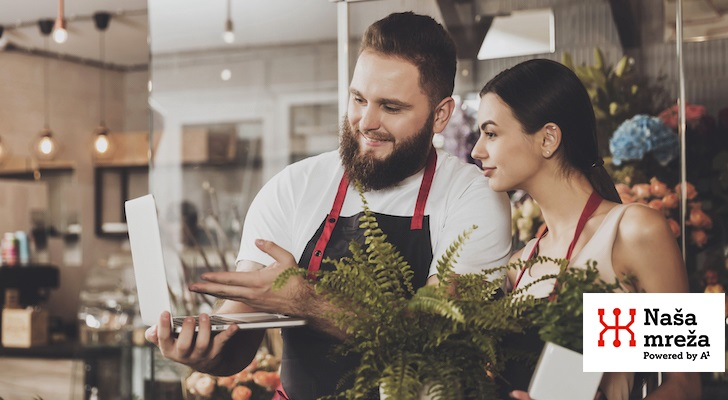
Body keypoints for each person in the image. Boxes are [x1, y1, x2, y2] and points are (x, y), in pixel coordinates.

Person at [144, 12, 513, 400]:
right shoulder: (293, 187)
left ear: (440, 115)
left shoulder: (471, 196)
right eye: (358, 99)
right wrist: (203, 352)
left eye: (391, 107)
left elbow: (432, 340)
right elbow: (238, 343)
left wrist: (305, 301)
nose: (365, 121)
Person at [470, 59, 701, 400]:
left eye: (491, 133)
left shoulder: (635, 230)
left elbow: (687, 385)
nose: (477, 150)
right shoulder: (519, 265)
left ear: (548, 138)